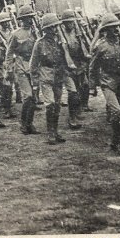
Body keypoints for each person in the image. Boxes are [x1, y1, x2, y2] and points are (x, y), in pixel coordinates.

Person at [89, 13, 120, 155]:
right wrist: (92, 86)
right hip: (107, 82)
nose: (114, 30)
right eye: (111, 28)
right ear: (105, 30)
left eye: (116, 27)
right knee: (116, 110)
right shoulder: (100, 47)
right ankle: (119, 141)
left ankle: (115, 140)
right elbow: (93, 67)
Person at [30, 13, 71, 144]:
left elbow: (66, 60)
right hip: (46, 75)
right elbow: (33, 64)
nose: (54, 30)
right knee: (50, 104)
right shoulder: (39, 43)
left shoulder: (60, 42)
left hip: (58, 76)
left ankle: (55, 131)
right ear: (45, 30)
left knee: (57, 105)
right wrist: (35, 83)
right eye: (51, 28)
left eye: (55, 27)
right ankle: (50, 133)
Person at [6, 5, 39, 135]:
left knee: (33, 98)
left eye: (30, 18)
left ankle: (29, 124)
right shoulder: (15, 34)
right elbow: (9, 53)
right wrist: (9, 69)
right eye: (26, 18)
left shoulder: (36, 33)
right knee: (28, 96)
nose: (29, 20)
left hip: (34, 66)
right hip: (20, 66)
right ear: (21, 20)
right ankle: (24, 124)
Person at [60, 9, 89, 129]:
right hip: (66, 67)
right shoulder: (61, 34)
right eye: (68, 22)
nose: (70, 24)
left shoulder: (78, 32)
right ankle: (72, 118)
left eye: (72, 22)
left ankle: (77, 112)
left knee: (82, 88)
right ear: (63, 23)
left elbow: (84, 48)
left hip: (79, 65)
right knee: (72, 92)